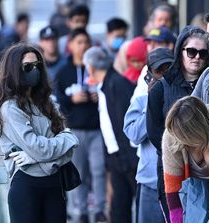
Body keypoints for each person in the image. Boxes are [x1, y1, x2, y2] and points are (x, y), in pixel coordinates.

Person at [0, 43, 79, 223]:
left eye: (37, 65)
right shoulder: (9, 108)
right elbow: (41, 148)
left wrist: (36, 156)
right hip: (27, 186)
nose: (34, 70)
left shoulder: (46, 102)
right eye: (28, 67)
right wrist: (66, 140)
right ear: (14, 70)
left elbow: (68, 151)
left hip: (54, 184)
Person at [146, 25, 209, 222]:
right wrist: (182, 154)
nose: (196, 57)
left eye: (202, 53)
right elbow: (154, 132)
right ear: (180, 51)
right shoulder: (161, 88)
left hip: (208, 169)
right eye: (191, 51)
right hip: (173, 171)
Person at [54, 28, 107, 223]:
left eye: (86, 42)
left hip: (96, 129)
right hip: (74, 130)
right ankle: (80, 210)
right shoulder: (63, 70)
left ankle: (100, 209)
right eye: (79, 42)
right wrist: (71, 98)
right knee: (79, 172)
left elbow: (109, 92)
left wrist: (97, 96)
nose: (83, 46)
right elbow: (56, 100)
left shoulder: (97, 68)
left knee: (99, 170)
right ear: (70, 45)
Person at [82, 46, 137, 223]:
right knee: (118, 209)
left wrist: (128, 158)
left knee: (140, 203)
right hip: (116, 158)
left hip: (129, 157)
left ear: (90, 67)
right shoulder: (105, 85)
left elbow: (124, 123)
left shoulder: (117, 84)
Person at [162, 96, 209, 223]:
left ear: (196, 132)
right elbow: (173, 191)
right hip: (187, 195)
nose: (177, 138)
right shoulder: (171, 135)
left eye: (183, 136)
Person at [123, 47, 173, 223]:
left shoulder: (181, 98)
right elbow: (134, 135)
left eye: (169, 69)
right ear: (149, 75)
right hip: (150, 182)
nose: (164, 75)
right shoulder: (141, 101)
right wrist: (152, 103)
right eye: (160, 71)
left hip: (178, 181)